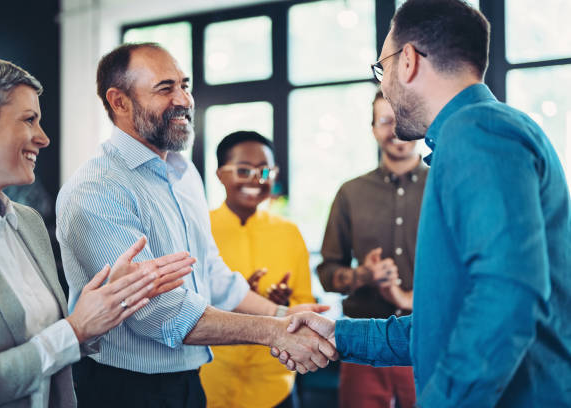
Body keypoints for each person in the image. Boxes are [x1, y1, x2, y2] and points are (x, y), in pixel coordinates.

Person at [273, 1, 571, 407]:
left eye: (383, 71)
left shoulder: (477, 131)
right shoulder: (479, 133)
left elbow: (507, 293)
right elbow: (440, 323)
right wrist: (337, 334)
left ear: (408, 61)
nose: (387, 90)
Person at [55, 43, 335, 408]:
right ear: (119, 102)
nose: (184, 99)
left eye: (184, 86)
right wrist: (274, 332)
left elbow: (211, 273)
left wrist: (283, 314)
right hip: (124, 389)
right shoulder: (97, 189)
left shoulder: (184, 175)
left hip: (189, 381)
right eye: (165, 88)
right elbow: (160, 312)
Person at [0, 55, 196, 408]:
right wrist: (76, 329)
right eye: (29, 120)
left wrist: (107, 304)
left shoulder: (28, 222)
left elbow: (54, 344)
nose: (43, 138)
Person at [318, 91, 426, 408]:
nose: (396, 130)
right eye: (386, 121)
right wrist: (363, 275)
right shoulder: (350, 193)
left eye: (404, 118)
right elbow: (327, 274)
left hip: (425, 338)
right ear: (373, 128)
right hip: (362, 342)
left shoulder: (443, 186)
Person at [199, 131, 317, 408]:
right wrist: (240, 298)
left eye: (265, 170)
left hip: (274, 384)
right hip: (211, 381)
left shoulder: (289, 232)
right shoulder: (200, 230)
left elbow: (307, 304)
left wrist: (282, 304)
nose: (256, 180)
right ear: (220, 174)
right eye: (243, 170)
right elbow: (185, 306)